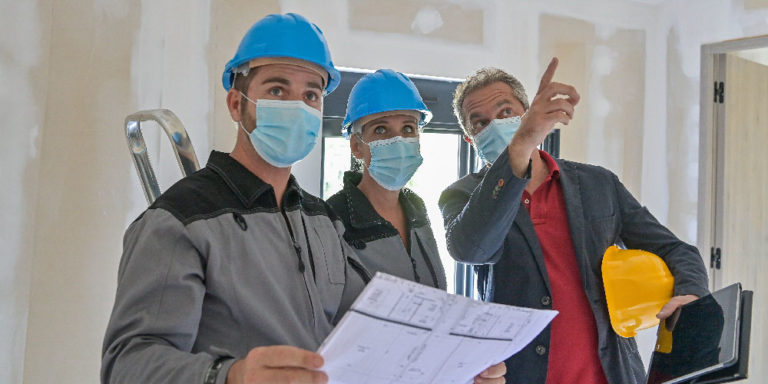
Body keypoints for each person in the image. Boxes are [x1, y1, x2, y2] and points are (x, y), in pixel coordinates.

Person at [101, 13, 368, 384]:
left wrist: (454, 364)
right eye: (277, 90)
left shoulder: (322, 220)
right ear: (235, 104)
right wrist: (229, 376)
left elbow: (370, 325)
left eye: (311, 94)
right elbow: (127, 366)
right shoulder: (181, 220)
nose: (298, 107)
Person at [438, 58, 710, 384]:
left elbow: (675, 250)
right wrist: (521, 144)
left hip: (613, 375)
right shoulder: (462, 195)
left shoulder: (598, 184)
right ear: (470, 139)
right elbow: (471, 249)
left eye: (506, 112)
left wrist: (691, 294)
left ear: (528, 112)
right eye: (479, 123)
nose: (495, 125)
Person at [326, 69, 506, 383]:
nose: (399, 140)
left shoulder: (417, 210)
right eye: (381, 130)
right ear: (357, 146)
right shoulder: (330, 219)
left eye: (408, 128)